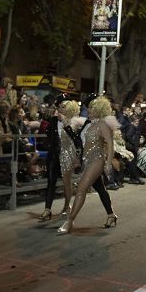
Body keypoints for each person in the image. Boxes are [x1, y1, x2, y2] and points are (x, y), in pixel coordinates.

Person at [58, 96, 119, 234]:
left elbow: (110, 144)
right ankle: (111, 215)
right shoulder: (89, 124)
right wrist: (78, 158)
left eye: (91, 107)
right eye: (89, 107)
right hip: (86, 161)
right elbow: (81, 143)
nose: (88, 109)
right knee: (100, 189)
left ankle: (69, 221)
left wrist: (108, 163)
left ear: (99, 109)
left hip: (97, 160)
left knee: (80, 189)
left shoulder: (104, 125)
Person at [40, 97, 81, 221]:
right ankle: (47, 209)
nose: (59, 109)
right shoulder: (53, 121)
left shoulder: (74, 122)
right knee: (51, 182)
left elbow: (77, 140)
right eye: (59, 107)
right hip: (53, 155)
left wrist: (66, 125)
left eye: (63, 107)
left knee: (66, 183)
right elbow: (47, 133)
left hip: (67, 155)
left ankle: (66, 206)